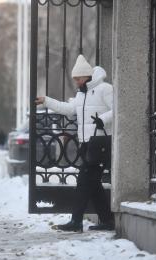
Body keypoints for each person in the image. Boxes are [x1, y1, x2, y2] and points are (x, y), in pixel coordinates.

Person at [35, 54, 114, 232]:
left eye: (78, 78)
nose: (77, 81)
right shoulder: (81, 94)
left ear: (87, 75)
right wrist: (47, 101)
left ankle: (76, 221)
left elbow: (118, 109)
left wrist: (103, 119)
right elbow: (69, 110)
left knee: (83, 182)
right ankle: (108, 221)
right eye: (75, 79)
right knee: (93, 185)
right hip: (86, 144)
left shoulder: (105, 89)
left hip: (101, 143)